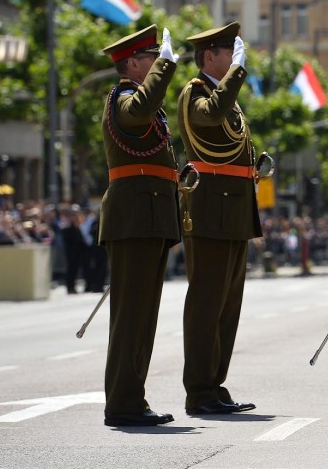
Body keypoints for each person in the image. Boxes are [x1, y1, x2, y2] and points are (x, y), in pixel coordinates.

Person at [97, 24, 181, 428]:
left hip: (148, 217)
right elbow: (139, 113)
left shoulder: (141, 102)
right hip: (134, 218)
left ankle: (132, 398)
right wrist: (165, 68)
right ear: (133, 63)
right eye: (152, 58)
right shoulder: (125, 97)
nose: (157, 64)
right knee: (132, 316)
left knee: (142, 316)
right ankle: (123, 403)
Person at [176, 22, 261, 417]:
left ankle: (215, 382)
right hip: (210, 208)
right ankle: (198, 390)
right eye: (229, 53)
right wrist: (238, 74)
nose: (235, 60)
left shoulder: (225, 97)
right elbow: (210, 118)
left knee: (228, 305)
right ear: (210, 56)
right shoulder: (196, 93)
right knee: (207, 302)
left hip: (234, 207)